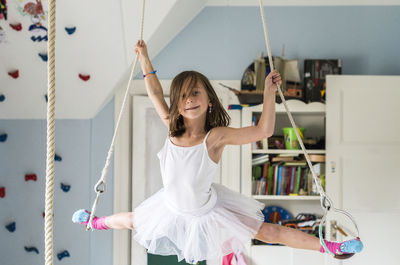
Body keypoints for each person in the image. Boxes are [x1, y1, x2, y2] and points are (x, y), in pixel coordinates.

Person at [72, 40, 363, 264]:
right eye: (183, 96)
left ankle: (330, 247)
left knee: (269, 232)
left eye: (196, 93)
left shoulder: (214, 138)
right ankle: (94, 221)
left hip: (209, 210)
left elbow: (262, 131)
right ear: (177, 104)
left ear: (209, 99)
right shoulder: (172, 131)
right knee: (132, 219)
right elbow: (155, 93)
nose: (189, 100)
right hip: (171, 207)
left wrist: (269, 93)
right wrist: (145, 60)